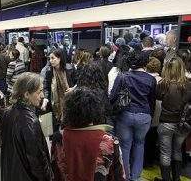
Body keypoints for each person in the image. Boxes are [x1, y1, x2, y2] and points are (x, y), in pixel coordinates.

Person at [52, 87, 125, 181]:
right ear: (96, 111)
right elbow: (118, 176)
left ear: (69, 111)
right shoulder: (110, 140)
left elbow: (55, 170)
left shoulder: (59, 137)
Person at [110, 50, 156, 181]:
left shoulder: (122, 76)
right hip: (144, 116)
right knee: (140, 144)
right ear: (145, 63)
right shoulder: (151, 80)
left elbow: (113, 97)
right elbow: (152, 101)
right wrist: (149, 116)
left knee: (124, 146)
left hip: (125, 114)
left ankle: (125, 175)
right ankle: (136, 177)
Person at [0, 72, 53, 181]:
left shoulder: (7, 113)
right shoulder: (30, 122)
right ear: (26, 94)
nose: (42, 96)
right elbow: (37, 161)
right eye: (39, 92)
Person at [155, 57, 191, 181]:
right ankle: (177, 178)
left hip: (166, 122)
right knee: (177, 151)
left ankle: (166, 179)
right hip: (183, 124)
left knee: (165, 153)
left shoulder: (163, 84)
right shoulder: (188, 84)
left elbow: (158, 98)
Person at [43, 49, 75, 132]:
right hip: (54, 103)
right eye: (49, 59)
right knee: (54, 130)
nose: (51, 61)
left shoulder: (70, 69)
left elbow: (78, 82)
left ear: (60, 58)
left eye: (53, 58)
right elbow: (46, 87)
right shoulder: (49, 71)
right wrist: (45, 99)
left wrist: (73, 88)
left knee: (68, 128)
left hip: (69, 101)